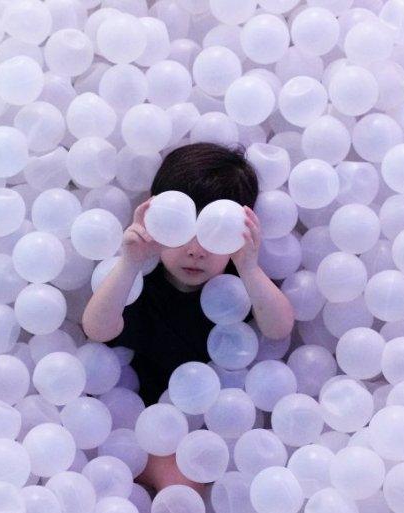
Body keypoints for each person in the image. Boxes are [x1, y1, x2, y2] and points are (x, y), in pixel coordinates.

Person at [81, 141, 295, 495]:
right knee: (177, 482)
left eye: (215, 233)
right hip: (130, 424)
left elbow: (279, 327)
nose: (195, 250)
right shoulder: (139, 283)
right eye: (180, 229)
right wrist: (130, 263)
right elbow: (97, 329)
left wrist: (250, 268)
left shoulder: (239, 288)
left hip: (207, 429)